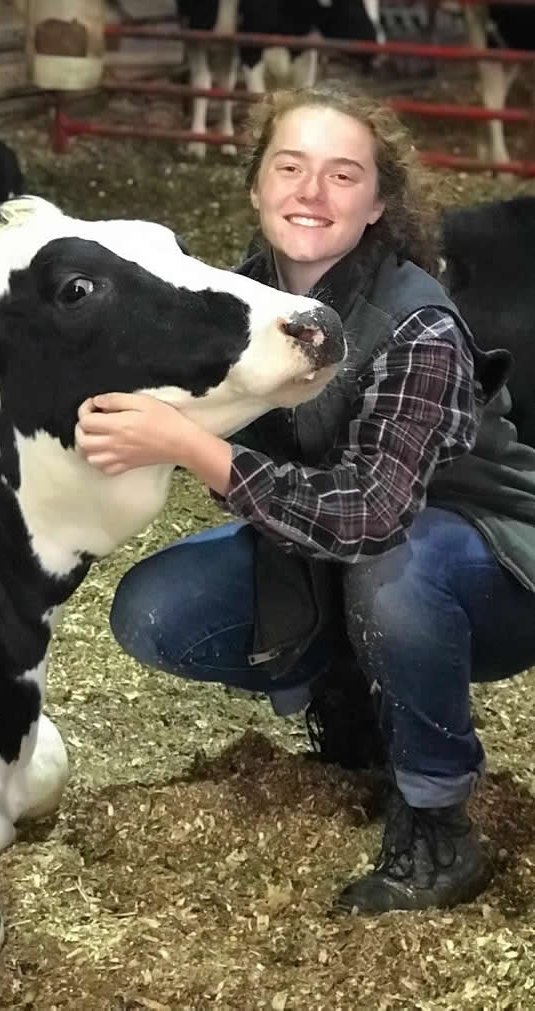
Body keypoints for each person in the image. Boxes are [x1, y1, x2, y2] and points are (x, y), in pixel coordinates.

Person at [74, 82, 535, 914]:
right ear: (255, 185)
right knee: (154, 607)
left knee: (396, 567)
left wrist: (190, 447)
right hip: (339, 547)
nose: (311, 193)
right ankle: (355, 704)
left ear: (378, 203)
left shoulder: (417, 324)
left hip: (485, 561)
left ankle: (437, 827)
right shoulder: (239, 300)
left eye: (343, 175)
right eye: (289, 166)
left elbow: (372, 514)